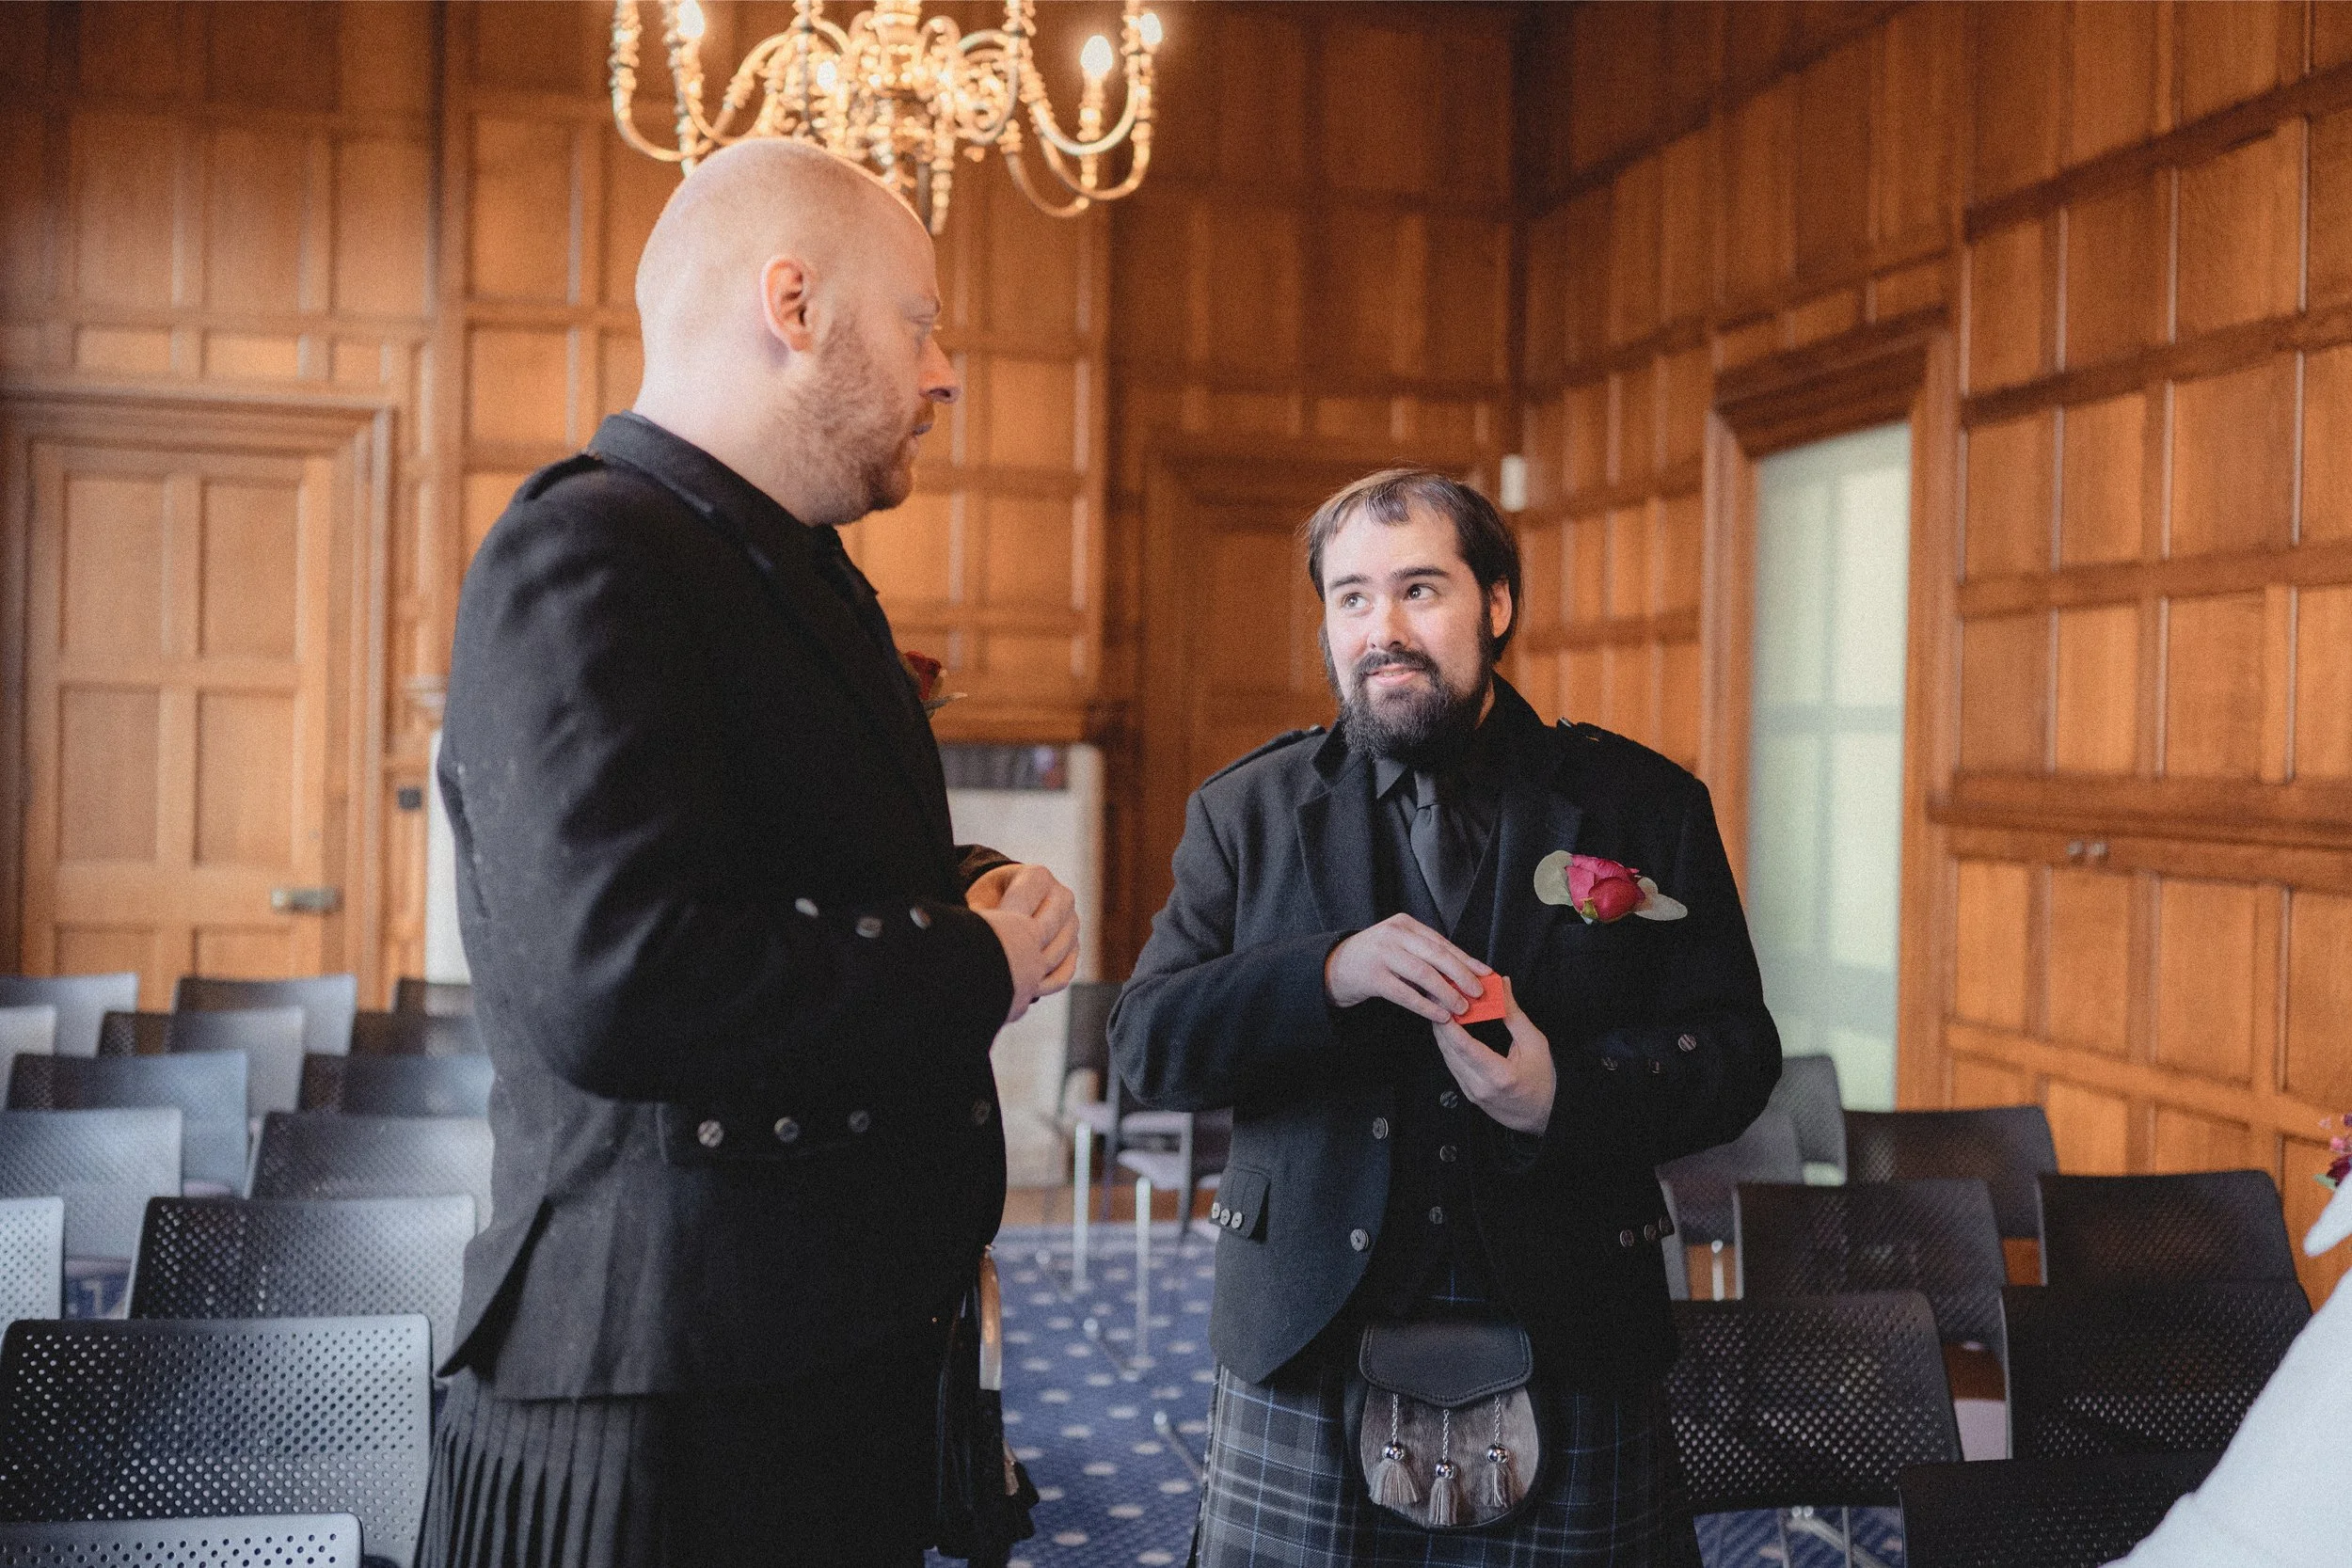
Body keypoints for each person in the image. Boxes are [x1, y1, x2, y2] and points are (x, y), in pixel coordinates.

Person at [422, 139, 1078, 1568]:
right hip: (661, 1398)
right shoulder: (586, 550)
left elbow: (774, 848)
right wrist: (968, 959)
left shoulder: (785, 564)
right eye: (923, 322)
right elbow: (622, 977)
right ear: (793, 303)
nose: (946, 370)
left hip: (821, 1358)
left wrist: (962, 877)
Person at [1109, 469, 1780, 1565]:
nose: (1385, 631)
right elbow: (1147, 1045)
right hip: (1306, 1332)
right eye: (1352, 597)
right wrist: (1325, 973)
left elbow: (1739, 1050)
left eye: (1420, 589)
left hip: (1572, 1316)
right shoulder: (1244, 810)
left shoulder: (1641, 802)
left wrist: (1567, 1090)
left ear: (1497, 604)